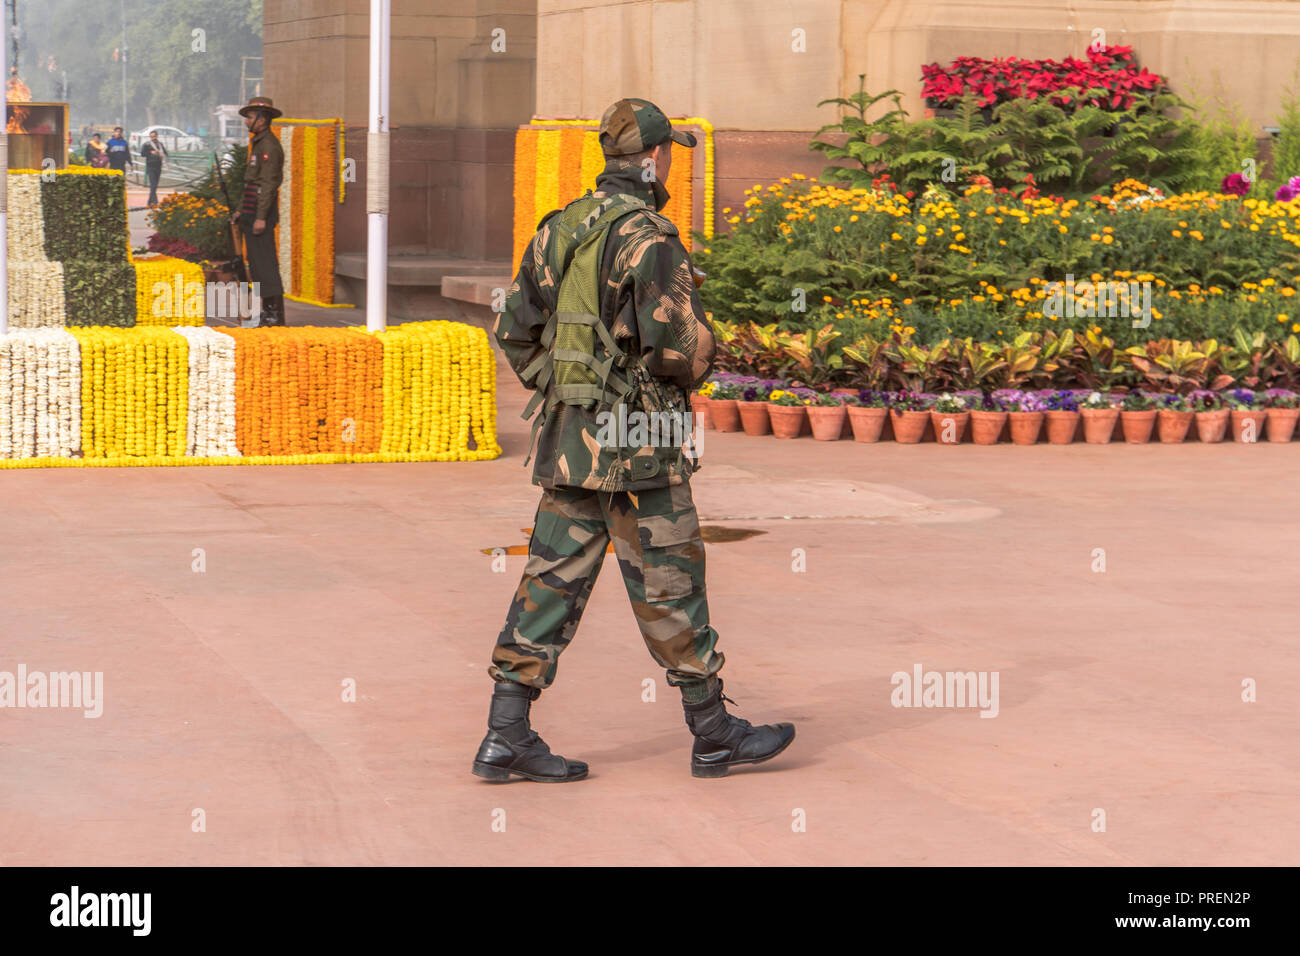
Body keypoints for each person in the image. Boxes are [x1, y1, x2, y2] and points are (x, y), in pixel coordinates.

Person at [474, 98, 796, 783]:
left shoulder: (557, 228)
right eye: (669, 153)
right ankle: (714, 735)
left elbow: (513, 328)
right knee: (672, 582)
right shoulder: (650, 236)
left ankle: (506, 735)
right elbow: (681, 351)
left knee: (551, 582)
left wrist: (568, 387)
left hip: (569, 442)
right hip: (641, 440)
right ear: (652, 159)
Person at [229, 96, 286, 327]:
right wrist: (242, 211)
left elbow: (268, 185)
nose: (247, 121)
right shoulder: (259, 143)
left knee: (265, 264)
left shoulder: (269, 147)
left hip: (261, 215)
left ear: (263, 120)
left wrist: (261, 217)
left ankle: (274, 313)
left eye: (250, 117)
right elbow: (252, 184)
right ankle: (266, 312)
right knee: (257, 264)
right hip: (252, 213)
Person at [139, 129, 168, 207]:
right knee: (153, 184)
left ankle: (149, 202)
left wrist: (161, 154)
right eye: (151, 136)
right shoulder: (147, 144)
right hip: (150, 166)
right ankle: (155, 201)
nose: (153, 138)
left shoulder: (160, 144)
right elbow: (142, 154)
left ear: (157, 136)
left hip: (158, 166)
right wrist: (150, 152)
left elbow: (165, 153)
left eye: (154, 136)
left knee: (155, 185)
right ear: (150, 137)